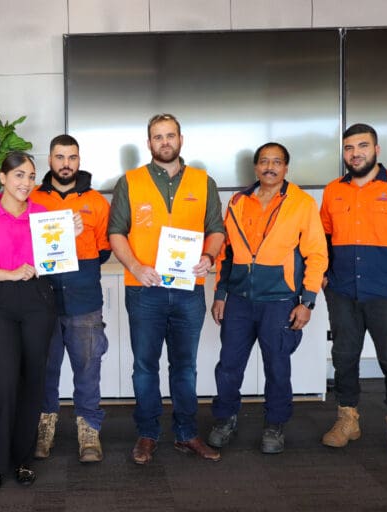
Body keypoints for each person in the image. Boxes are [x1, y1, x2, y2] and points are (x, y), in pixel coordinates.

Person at [0, 152, 81, 489]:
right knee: (6, 381)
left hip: (39, 300)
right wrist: (8, 274)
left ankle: (23, 456)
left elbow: (56, 260)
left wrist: (70, 234)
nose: (25, 183)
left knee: (32, 382)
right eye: (18, 176)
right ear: (2, 178)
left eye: (30, 176)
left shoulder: (43, 215)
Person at [108, 113, 225, 465]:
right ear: (149, 143)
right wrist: (135, 266)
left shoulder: (204, 182)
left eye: (170, 135)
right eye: (157, 137)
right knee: (145, 366)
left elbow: (216, 229)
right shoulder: (129, 182)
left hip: (188, 290)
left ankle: (187, 434)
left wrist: (208, 255)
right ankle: (147, 434)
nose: (164, 142)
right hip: (144, 290)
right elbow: (116, 232)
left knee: (185, 367)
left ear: (180, 139)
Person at [320, 123, 387, 462]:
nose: (356, 153)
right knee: (344, 359)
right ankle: (347, 419)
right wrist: (323, 274)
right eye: (349, 148)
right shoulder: (333, 190)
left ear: (376, 149)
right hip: (342, 292)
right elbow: (322, 237)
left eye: (362, 146)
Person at [208, 142, 328, 454]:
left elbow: (316, 255)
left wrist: (308, 300)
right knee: (229, 365)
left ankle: (275, 425)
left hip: (280, 301)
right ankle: (225, 418)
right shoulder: (237, 201)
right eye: (264, 161)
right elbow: (228, 253)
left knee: (277, 366)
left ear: (286, 167)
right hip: (239, 299)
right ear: (255, 167)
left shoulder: (301, 203)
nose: (269, 167)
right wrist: (221, 293)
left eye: (276, 162)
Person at [30, 134, 111, 463]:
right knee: (44, 370)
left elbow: (104, 250)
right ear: (49, 160)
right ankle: (43, 429)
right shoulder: (31, 198)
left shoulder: (97, 202)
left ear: (79, 160)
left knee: (88, 368)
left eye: (72, 157)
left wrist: (76, 243)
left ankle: (88, 431)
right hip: (41, 300)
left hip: (83, 300)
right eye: (59, 157)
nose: (66, 163)